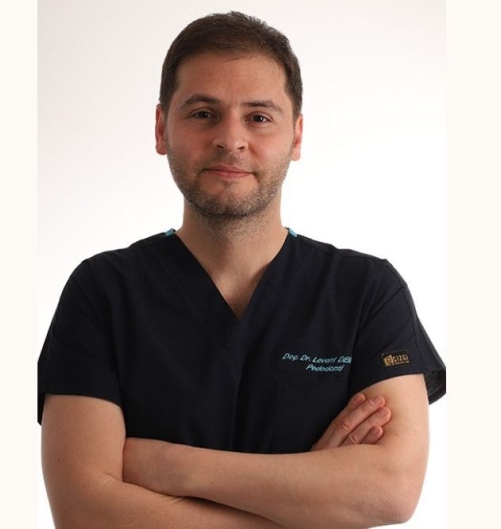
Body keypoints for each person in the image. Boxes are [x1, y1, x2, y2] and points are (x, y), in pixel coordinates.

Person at [38, 11, 446, 529]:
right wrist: (308, 506)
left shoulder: (367, 292)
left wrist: (170, 466)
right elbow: (84, 512)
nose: (230, 139)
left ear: (296, 137)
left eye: (258, 117)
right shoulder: (102, 293)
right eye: (203, 113)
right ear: (162, 128)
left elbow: (391, 490)